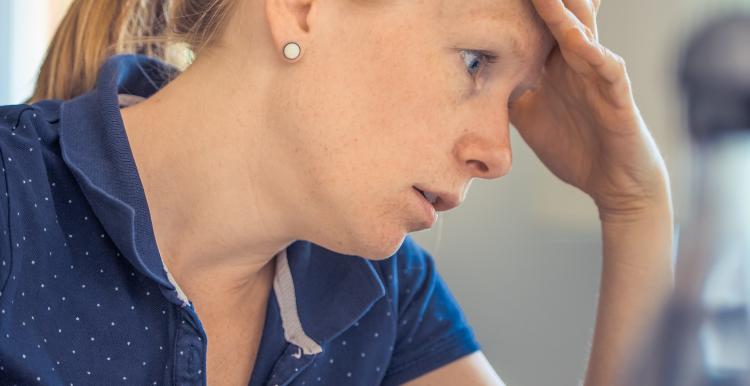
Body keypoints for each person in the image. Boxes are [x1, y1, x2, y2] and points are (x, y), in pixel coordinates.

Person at [0, 0, 674, 385]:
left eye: (517, 97)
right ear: (300, 8)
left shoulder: (382, 293)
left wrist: (634, 205)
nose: (497, 155)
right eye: (475, 63)